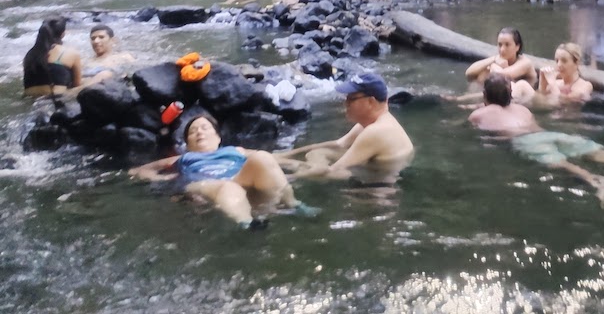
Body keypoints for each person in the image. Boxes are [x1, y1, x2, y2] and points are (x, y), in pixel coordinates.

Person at [470, 74, 604, 208]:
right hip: (548, 134)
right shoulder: (522, 109)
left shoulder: (480, 113)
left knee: (563, 164)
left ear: (484, 96)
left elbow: (476, 126)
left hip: (526, 142)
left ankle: (597, 181)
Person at [129, 114, 308, 229]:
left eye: (205, 128)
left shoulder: (235, 150)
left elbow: (272, 159)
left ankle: (295, 205)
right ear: (187, 143)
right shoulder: (184, 158)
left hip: (237, 178)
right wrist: (163, 178)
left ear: (218, 137)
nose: (199, 132)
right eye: (193, 131)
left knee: (262, 157)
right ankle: (248, 224)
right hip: (203, 184)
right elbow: (138, 170)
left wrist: (297, 164)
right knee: (227, 187)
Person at [275, 73, 414, 183]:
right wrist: (285, 155)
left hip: (376, 184)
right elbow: (338, 144)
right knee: (317, 152)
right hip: (374, 170)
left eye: (351, 99)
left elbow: (335, 170)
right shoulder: (374, 123)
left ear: (371, 101)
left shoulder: (376, 131)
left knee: (328, 169)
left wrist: (290, 178)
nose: (345, 103)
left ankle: (288, 168)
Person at [23, 16, 83, 96]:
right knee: (99, 77)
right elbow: (77, 85)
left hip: (30, 100)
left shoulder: (29, 55)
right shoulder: (71, 53)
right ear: (63, 34)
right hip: (57, 98)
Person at [465, 27, 538, 88]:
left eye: (507, 45)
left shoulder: (525, 63)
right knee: (483, 74)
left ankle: (468, 99)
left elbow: (503, 75)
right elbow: (469, 73)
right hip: (505, 96)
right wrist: (493, 59)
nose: (502, 49)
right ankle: (472, 98)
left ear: (517, 47)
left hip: (526, 99)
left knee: (492, 72)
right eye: (500, 45)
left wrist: (493, 65)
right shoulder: (497, 59)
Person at [527, 42, 594, 106]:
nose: (559, 64)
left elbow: (564, 102)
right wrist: (542, 82)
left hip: (568, 116)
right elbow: (538, 102)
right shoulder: (556, 83)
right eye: (557, 61)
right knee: (523, 85)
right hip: (549, 113)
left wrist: (552, 83)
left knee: (523, 86)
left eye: (564, 61)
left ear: (577, 63)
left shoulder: (585, 85)